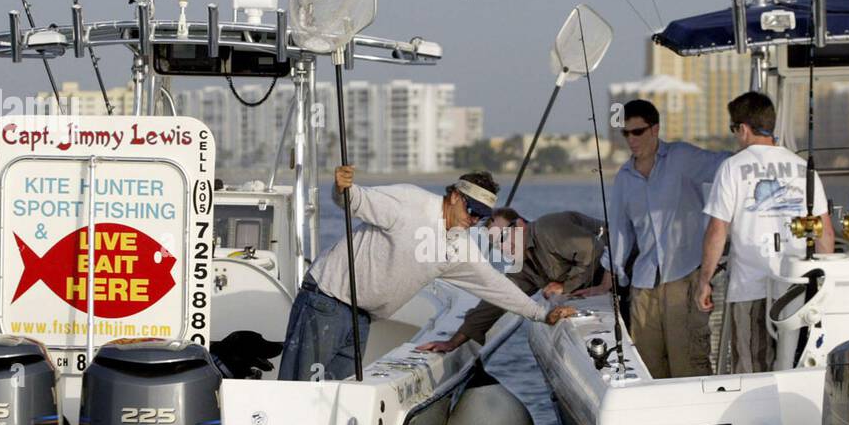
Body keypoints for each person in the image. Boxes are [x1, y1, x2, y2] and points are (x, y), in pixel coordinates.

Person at [279, 167, 576, 381]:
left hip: (361, 318)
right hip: (326, 301)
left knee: (332, 392)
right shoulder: (410, 202)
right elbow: (355, 201)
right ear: (455, 197)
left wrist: (540, 314)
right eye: (472, 210)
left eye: (482, 217)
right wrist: (342, 187)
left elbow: (495, 285)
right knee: (301, 388)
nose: (473, 221)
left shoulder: (459, 246)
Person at [697, 91, 834, 373]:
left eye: (734, 129)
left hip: (749, 289)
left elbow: (717, 230)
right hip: (798, 288)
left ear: (744, 129)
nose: (736, 136)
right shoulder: (803, 167)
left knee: (750, 369)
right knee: (799, 367)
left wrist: (704, 281)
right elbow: (825, 233)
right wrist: (823, 285)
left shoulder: (732, 168)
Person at [608, 98, 728, 379]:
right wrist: (611, 276)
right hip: (642, 286)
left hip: (685, 277)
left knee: (688, 364)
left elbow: (724, 165)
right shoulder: (623, 178)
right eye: (626, 133)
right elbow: (619, 232)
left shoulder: (682, 157)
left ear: (654, 129)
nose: (631, 140)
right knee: (647, 369)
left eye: (637, 132)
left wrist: (759, 153)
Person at [417, 208, 609, 353]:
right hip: (598, 296)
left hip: (625, 270)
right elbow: (497, 300)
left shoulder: (547, 229)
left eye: (502, 237)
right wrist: (453, 343)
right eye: (495, 243)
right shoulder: (523, 267)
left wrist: (565, 286)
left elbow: (594, 251)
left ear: (520, 225)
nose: (502, 247)